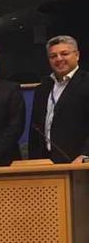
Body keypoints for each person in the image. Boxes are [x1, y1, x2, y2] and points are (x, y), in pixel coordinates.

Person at [28, 35, 89, 163]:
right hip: (46, 163)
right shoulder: (42, 89)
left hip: (79, 162)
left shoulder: (86, 83)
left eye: (64, 54)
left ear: (77, 55)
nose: (59, 59)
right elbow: (35, 130)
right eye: (53, 56)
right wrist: (33, 162)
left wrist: (85, 155)